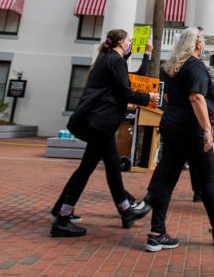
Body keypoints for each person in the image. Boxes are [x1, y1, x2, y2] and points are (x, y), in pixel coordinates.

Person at [144, 27, 214, 252]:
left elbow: (169, 97)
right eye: (201, 39)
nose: (203, 43)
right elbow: (196, 97)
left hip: (171, 127)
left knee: (167, 180)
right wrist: (207, 130)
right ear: (198, 44)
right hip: (193, 130)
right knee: (208, 179)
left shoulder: (171, 68)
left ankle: (156, 233)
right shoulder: (196, 65)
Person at [51, 29, 156, 236]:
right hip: (102, 123)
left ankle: (125, 210)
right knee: (90, 169)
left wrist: (144, 54)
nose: (129, 43)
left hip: (100, 123)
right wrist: (148, 98)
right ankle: (62, 217)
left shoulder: (108, 59)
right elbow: (125, 91)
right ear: (119, 42)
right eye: (127, 40)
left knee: (111, 167)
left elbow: (128, 77)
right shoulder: (114, 61)